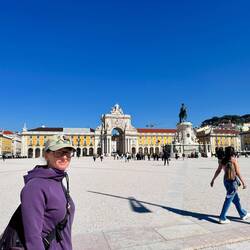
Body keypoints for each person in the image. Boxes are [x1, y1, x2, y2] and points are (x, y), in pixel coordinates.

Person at [21, 135, 75, 249]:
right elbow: (33, 239)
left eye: (68, 152)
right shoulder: (35, 187)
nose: (65, 157)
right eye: (58, 152)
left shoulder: (59, 179)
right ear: (46, 155)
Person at [210, 146, 249, 224]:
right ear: (232, 152)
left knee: (236, 199)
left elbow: (218, 170)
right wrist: (244, 183)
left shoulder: (222, 161)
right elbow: (237, 172)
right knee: (228, 199)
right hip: (232, 182)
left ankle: (242, 213)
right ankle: (222, 217)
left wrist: (213, 180)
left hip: (225, 181)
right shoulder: (233, 160)